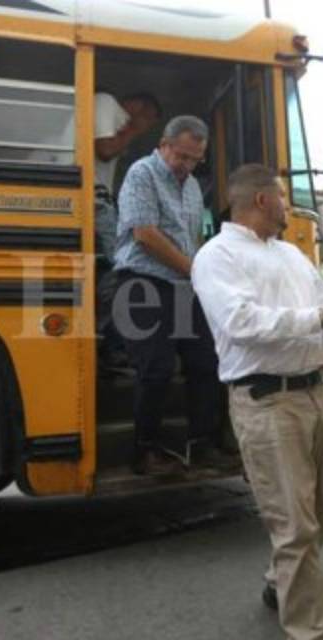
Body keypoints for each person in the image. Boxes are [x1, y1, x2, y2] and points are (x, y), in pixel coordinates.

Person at [192, 164, 323, 640]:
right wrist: (318, 316)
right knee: (297, 528)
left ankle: (278, 583)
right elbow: (240, 322)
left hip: (317, 395)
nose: (289, 205)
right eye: (284, 197)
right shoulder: (216, 256)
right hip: (268, 404)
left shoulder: (291, 254)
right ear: (263, 200)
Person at [113, 115, 222, 474]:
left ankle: (201, 444)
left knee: (206, 362)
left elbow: (193, 238)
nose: (187, 165)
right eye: (182, 156)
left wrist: (204, 267)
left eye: (195, 159)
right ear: (164, 145)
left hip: (185, 284)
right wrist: (194, 270)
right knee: (156, 368)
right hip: (143, 282)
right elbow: (145, 234)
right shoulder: (141, 173)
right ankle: (145, 451)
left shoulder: (192, 188)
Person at [93, 91, 161, 368]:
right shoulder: (106, 102)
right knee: (123, 272)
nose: (145, 128)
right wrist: (133, 129)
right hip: (95, 201)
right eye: (149, 121)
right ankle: (111, 346)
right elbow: (105, 149)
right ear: (141, 108)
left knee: (112, 274)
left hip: (100, 202)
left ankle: (110, 344)